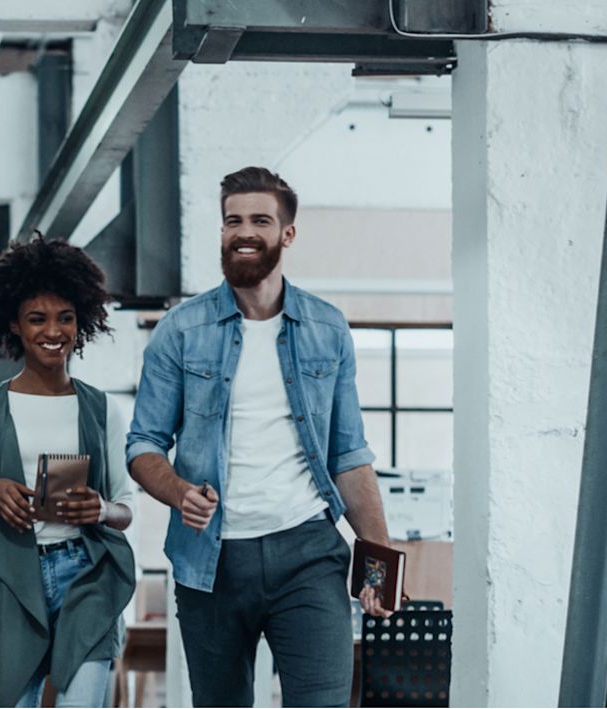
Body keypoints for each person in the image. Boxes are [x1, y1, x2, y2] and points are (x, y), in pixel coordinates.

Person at [126, 166, 392, 707]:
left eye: (260, 221)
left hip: (308, 552)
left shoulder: (327, 328)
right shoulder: (181, 330)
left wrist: (380, 563)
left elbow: (348, 454)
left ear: (287, 234)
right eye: (233, 221)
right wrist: (178, 492)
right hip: (211, 560)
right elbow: (143, 444)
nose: (244, 232)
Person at [0, 238, 138, 707]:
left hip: (87, 573)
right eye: (37, 318)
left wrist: (100, 509)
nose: (53, 331)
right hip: (11, 575)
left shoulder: (102, 409)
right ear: (15, 324)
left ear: (81, 322)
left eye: (65, 318)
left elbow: (125, 508)